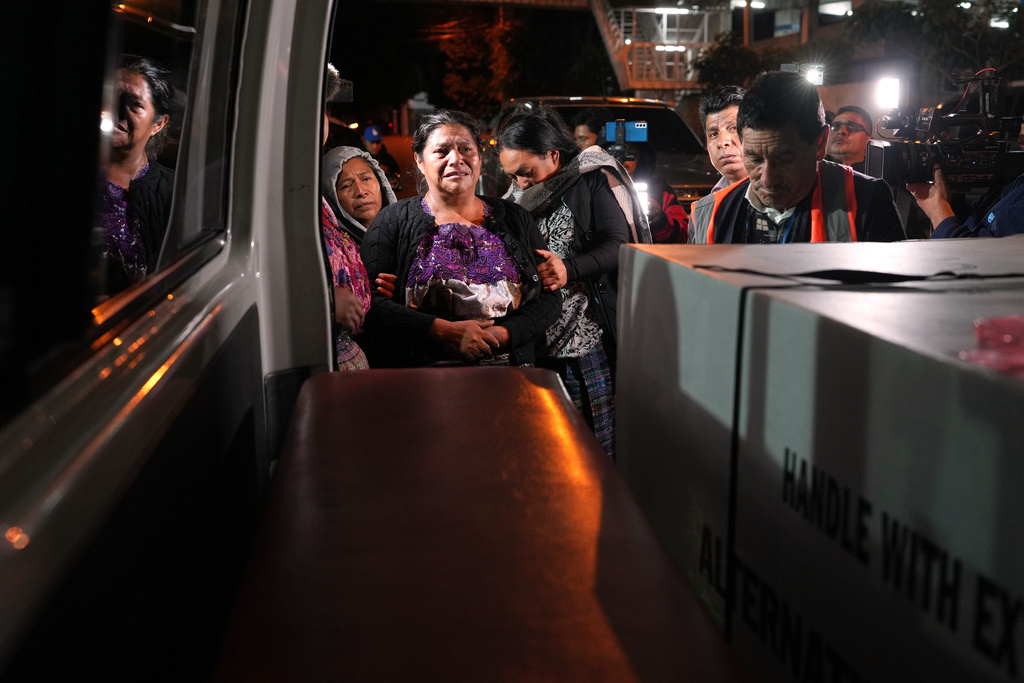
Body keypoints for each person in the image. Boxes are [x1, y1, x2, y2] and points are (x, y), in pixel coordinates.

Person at [496, 106, 650, 458]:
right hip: (534, 348)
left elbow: (619, 244)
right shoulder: (514, 202)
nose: (520, 183)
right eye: (512, 176)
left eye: (526, 172)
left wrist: (569, 268)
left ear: (552, 154)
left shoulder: (589, 178)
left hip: (586, 346)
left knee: (595, 454)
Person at [359, 109, 559, 370]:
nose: (456, 159)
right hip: (422, 380)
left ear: (480, 158)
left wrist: (505, 334)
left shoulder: (515, 218)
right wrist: (442, 331)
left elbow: (550, 297)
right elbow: (369, 301)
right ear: (420, 161)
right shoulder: (392, 221)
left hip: (512, 376)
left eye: (466, 149)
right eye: (442, 151)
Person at [689, 71, 904, 244]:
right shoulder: (708, 214)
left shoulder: (866, 199)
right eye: (754, 159)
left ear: (820, 143)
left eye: (783, 159)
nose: (767, 179)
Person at [97, 55, 175, 293]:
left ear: (158, 124)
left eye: (135, 104)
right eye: (112, 98)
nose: (117, 111)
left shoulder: (174, 190)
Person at [321, 146, 398, 370]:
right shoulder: (335, 256)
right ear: (331, 198)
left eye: (366, 178)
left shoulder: (407, 236)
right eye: (346, 185)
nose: (361, 191)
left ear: (381, 182)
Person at [907, 122, 1024, 238]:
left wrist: (937, 211)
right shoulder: (1017, 182)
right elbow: (976, 225)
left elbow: (979, 255)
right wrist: (947, 201)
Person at [698, 85, 747, 194]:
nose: (722, 142)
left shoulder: (783, 198)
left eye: (733, 128)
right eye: (714, 134)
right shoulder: (706, 207)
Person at [825, 105, 873, 172]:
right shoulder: (810, 171)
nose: (841, 131)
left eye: (852, 127)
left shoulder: (878, 176)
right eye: (836, 126)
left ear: (868, 141)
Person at [362, 124, 402, 192]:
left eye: (378, 142)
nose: (375, 146)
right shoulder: (358, 160)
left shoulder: (387, 158)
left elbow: (397, 179)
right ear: (364, 142)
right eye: (372, 142)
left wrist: (388, 172)